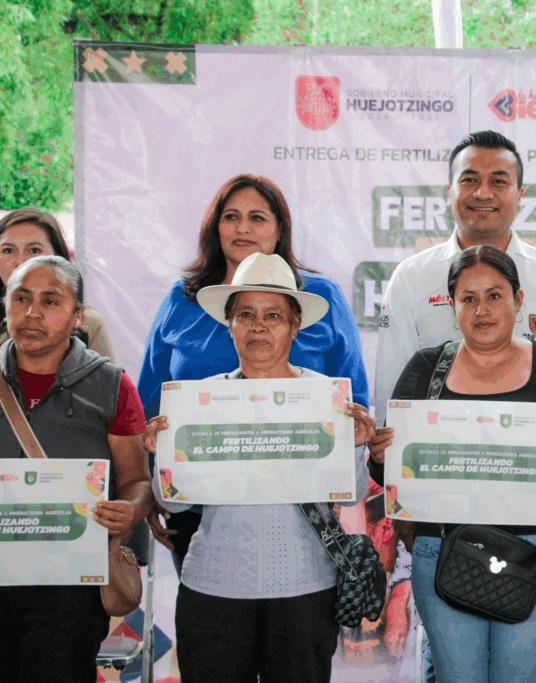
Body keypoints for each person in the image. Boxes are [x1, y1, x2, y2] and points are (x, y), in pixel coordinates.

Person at [368, 245, 536, 683]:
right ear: (452, 306)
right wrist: (380, 455)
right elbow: (389, 473)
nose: (482, 310)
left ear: (518, 300)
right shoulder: (425, 369)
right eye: (468, 298)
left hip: (533, 552)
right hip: (443, 550)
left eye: (495, 295)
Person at [144, 252, 375, 683]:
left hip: (305, 590)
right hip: (213, 586)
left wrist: (355, 447)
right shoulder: (199, 399)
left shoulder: (326, 397)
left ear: (295, 326)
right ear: (228, 325)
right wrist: (164, 459)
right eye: (245, 315)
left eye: (274, 315)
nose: (258, 326)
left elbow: (352, 493)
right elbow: (171, 504)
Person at [137, 174, 368, 573]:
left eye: (257, 218)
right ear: (216, 228)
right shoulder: (181, 299)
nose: (243, 228)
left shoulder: (321, 297)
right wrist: (149, 487)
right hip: (196, 505)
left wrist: (340, 470)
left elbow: (353, 400)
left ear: (280, 231)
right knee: (210, 602)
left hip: (299, 502)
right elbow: (149, 401)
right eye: (231, 217)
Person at [374, 130, 536, 423]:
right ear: (449, 193)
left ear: (520, 196)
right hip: (435, 446)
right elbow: (391, 395)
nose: (483, 193)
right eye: (470, 180)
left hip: (534, 446)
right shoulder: (410, 278)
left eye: (499, 181)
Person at [0, 256, 151, 682]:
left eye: (50, 301)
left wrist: (130, 510)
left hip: (69, 588)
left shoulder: (112, 385)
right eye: (21, 299)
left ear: (78, 315)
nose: (32, 313)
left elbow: (138, 481)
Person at [0, 209, 116, 359]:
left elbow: (106, 375)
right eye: (8, 250)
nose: (20, 262)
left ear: (57, 257)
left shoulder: (88, 324)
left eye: (34, 250)